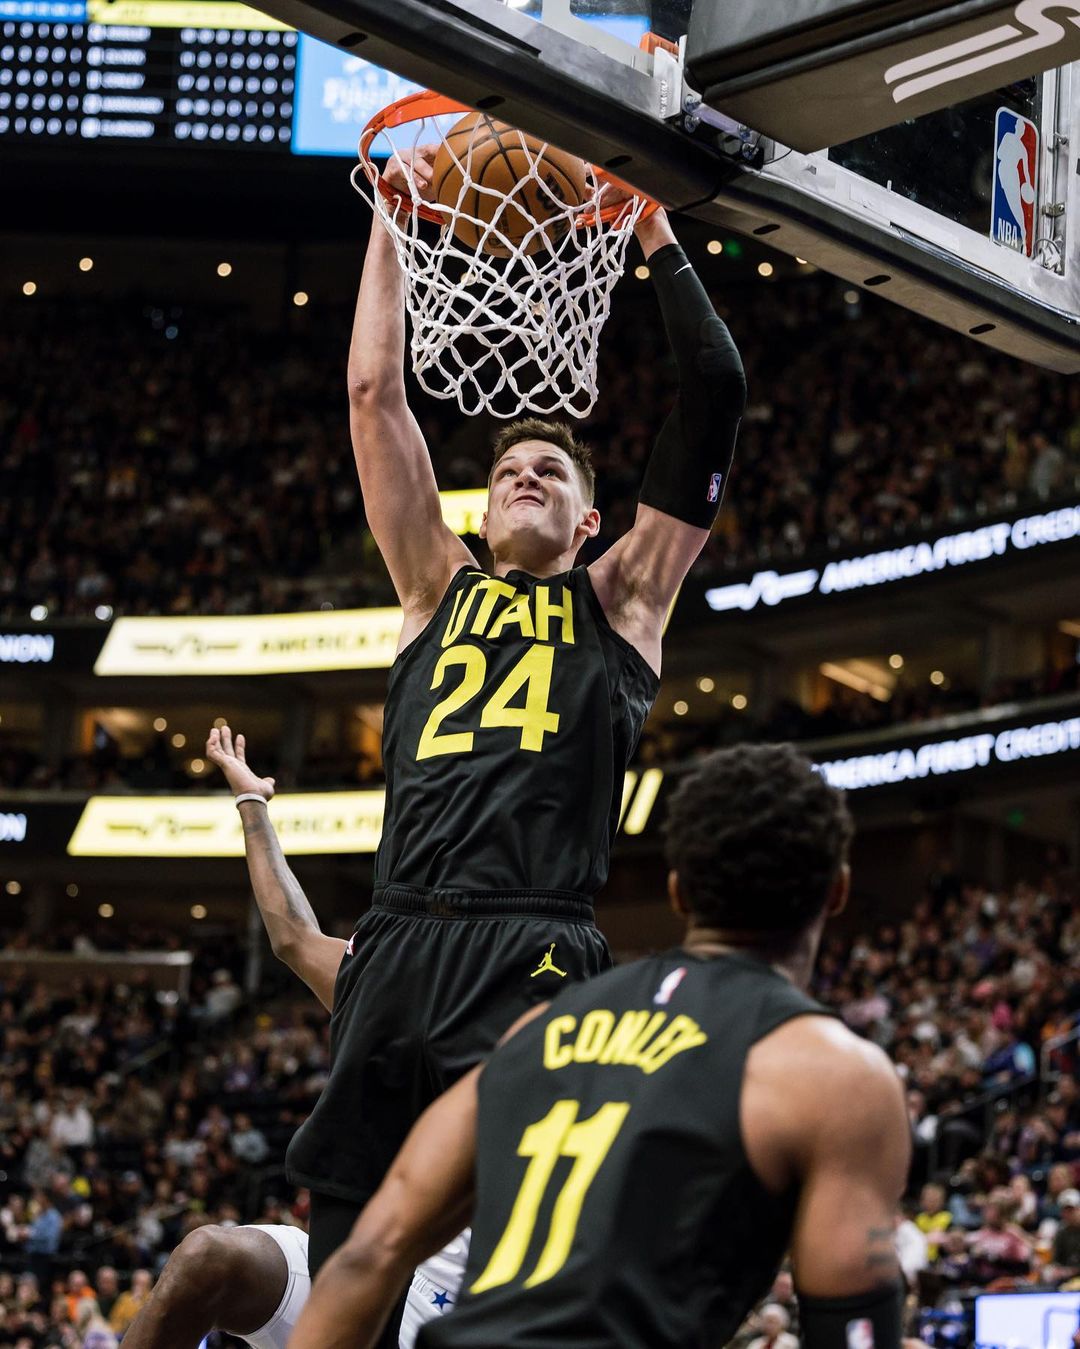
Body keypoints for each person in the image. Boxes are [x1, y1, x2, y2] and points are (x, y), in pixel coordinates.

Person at [284, 136, 747, 1325]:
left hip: (532, 942)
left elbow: (717, 392)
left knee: (524, 1254)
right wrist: (393, 214)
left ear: (596, 518)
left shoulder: (623, 599)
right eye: (507, 470)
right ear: (481, 511)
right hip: (393, 938)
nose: (525, 474)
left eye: (552, 468)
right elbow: (373, 395)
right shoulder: (433, 590)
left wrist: (646, 222)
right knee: (354, 1256)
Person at [287, 744, 913, 1349]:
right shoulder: (836, 1074)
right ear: (838, 891)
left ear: (678, 893)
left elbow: (365, 1260)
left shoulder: (535, 1034)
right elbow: (851, 1329)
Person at [123, 728, 461, 1349]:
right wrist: (251, 804)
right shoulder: (387, 985)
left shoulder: (533, 996)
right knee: (207, 1256)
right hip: (351, 1262)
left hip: (457, 1292)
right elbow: (291, 936)